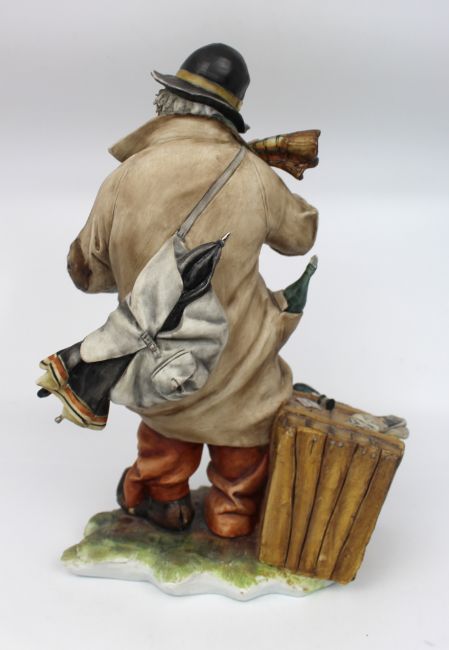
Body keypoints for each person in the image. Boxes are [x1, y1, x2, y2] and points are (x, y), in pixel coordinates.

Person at [67, 43, 318, 538]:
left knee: (163, 437)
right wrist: (268, 174)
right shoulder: (254, 175)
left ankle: (167, 501)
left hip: (158, 367)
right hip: (241, 366)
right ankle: (232, 513)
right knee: (243, 441)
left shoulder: (124, 177)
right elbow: (300, 237)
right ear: (229, 115)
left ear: (168, 101)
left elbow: (85, 271)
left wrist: (139, 275)